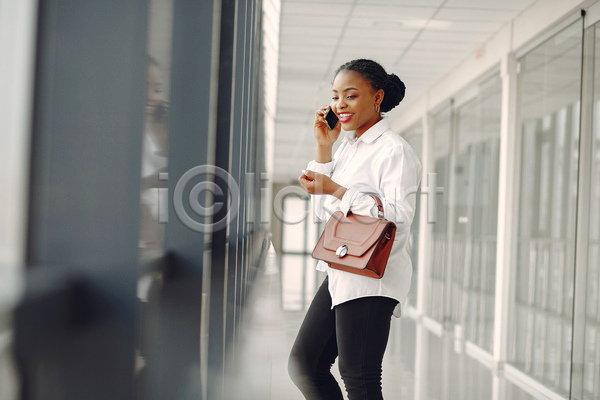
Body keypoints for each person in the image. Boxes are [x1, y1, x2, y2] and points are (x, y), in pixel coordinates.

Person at [288, 59, 422, 400]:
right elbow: (324, 211)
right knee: (305, 364)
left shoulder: (394, 151)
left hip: (372, 276)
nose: (340, 105)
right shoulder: (348, 148)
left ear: (377, 98)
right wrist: (324, 147)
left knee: (358, 377)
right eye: (335, 96)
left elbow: (398, 215)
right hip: (341, 269)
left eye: (350, 96)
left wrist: (336, 189)